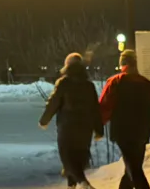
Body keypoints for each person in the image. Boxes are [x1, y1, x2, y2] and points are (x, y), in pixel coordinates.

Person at [99, 50, 150, 189]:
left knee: (134, 170)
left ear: (122, 64)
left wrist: (99, 124)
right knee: (134, 166)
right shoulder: (146, 83)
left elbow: (105, 106)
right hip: (142, 132)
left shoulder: (115, 82)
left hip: (122, 131)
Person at [39, 53, 104, 189]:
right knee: (78, 159)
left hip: (67, 128)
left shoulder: (64, 83)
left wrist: (44, 120)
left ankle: (83, 183)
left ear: (67, 66)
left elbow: (54, 103)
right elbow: (95, 109)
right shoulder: (89, 85)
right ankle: (72, 186)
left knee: (68, 159)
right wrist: (99, 129)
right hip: (85, 129)